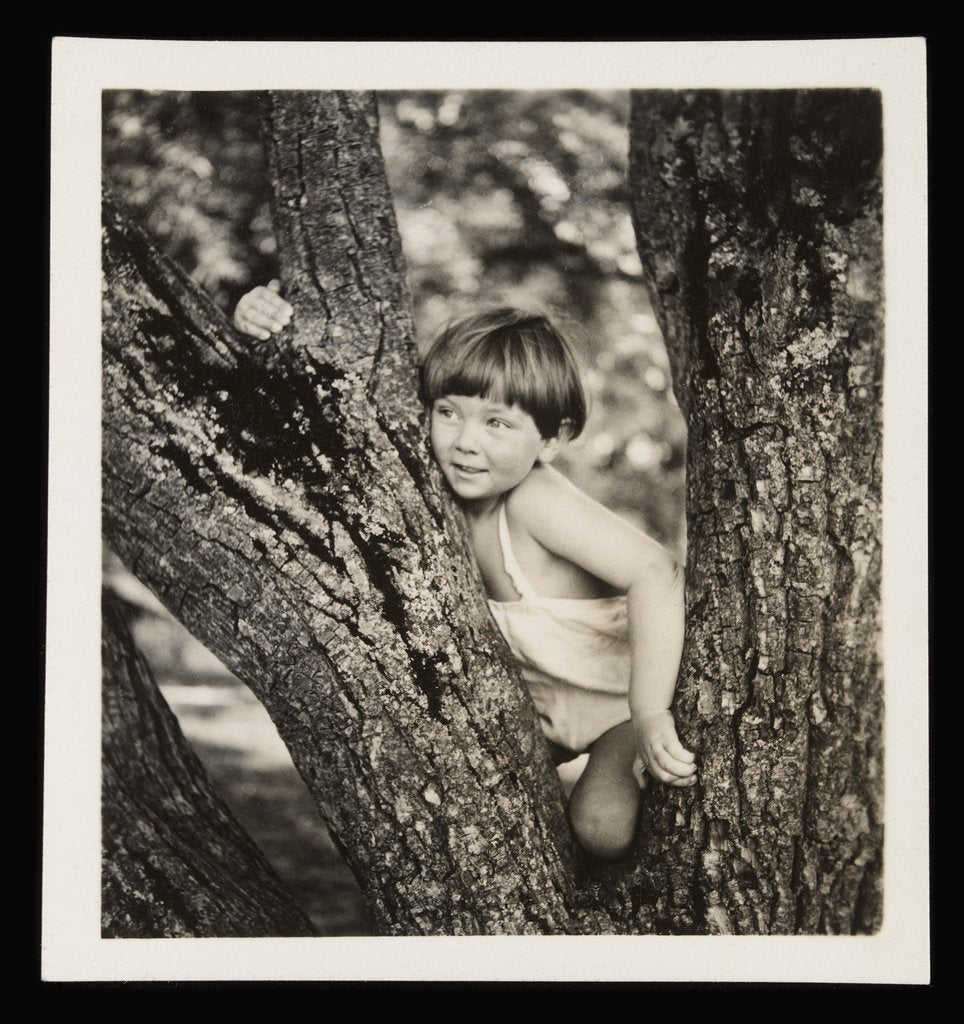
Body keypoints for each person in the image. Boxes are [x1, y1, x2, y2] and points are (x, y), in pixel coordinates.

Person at [234, 286, 698, 861]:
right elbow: (324, 412)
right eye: (448, 412)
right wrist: (261, 326)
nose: (465, 442)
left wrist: (650, 713)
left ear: (552, 439)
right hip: (541, 710)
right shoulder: (429, 487)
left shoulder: (534, 500)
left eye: (497, 423)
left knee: (602, 827)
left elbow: (656, 570)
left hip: (618, 704)